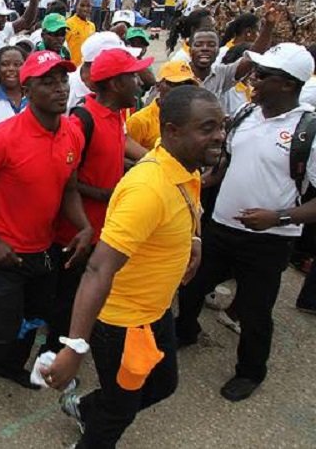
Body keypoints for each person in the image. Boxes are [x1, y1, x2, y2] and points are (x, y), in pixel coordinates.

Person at [45, 85, 224, 448]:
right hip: (123, 323)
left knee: (163, 384)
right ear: (172, 131)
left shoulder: (185, 168)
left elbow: (189, 203)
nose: (220, 136)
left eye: (222, 126)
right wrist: (75, 348)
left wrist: (194, 239)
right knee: (120, 409)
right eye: (207, 128)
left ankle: (84, 409)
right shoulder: (147, 189)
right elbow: (98, 269)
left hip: (156, 312)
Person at [0, 50, 92, 410]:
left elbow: (69, 188)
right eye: (48, 82)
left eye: (63, 80)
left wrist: (85, 226)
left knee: (35, 317)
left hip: (43, 249)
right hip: (4, 253)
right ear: (27, 90)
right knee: (4, 327)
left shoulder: (72, 132)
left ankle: (8, 366)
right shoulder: (3, 137)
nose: (60, 89)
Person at [176, 43, 316, 402]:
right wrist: (199, 182)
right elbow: (226, 164)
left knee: (254, 311)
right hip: (221, 227)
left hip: (269, 240)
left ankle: (250, 371)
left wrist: (276, 218)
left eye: (264, 74)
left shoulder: (308, 132)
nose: (254, 78)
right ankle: (185, 331)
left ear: (288, 84)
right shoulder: (246, 113)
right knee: (190, 285)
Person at [47, 48, 154, 356]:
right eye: (133, 77)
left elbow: (113, 153)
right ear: (116, 84)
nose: (139, 82)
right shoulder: (82, 120)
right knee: (66, 301)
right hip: (74, 232)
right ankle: (54, 358)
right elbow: (63, 178)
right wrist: (104, 194)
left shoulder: (117, 115)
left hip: (101, 229)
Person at [127, 60, 200, 149]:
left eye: (187, 85)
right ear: (158, 86)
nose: (181, 90)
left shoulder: (196, 118)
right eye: (174, 84)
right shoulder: (140, 121)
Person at [66, 0, 96, 66]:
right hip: (72, 66)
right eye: (82, 5)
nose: (85, 9)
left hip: (85, 67)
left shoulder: (92, 26)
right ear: (76, 6)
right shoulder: (68, 24)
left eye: (88, 6)